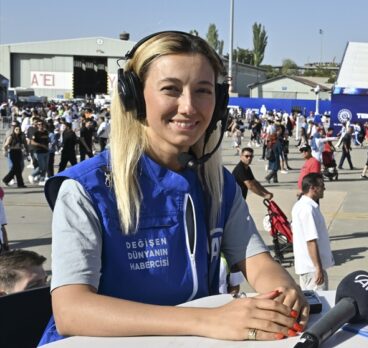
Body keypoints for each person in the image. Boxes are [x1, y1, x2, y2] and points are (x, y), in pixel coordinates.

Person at [39, 31, 306, 344]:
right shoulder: (85, 190)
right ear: (134, 98)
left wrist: (283, 291)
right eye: (171, 89)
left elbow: (258, 263)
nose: (189, 106)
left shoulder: (217, 184)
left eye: (203, 91)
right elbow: (71, 310)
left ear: (219, 103)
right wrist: (206, 321)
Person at [291, 173, 334, 291]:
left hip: (308, 268)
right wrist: (318, 268)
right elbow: (311, 241)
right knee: (320, 305)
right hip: (312, 269)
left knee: (311, 305)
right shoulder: (308, 210)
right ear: (312, 188)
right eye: (322, 185)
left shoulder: (300, 206)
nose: (324, 188)